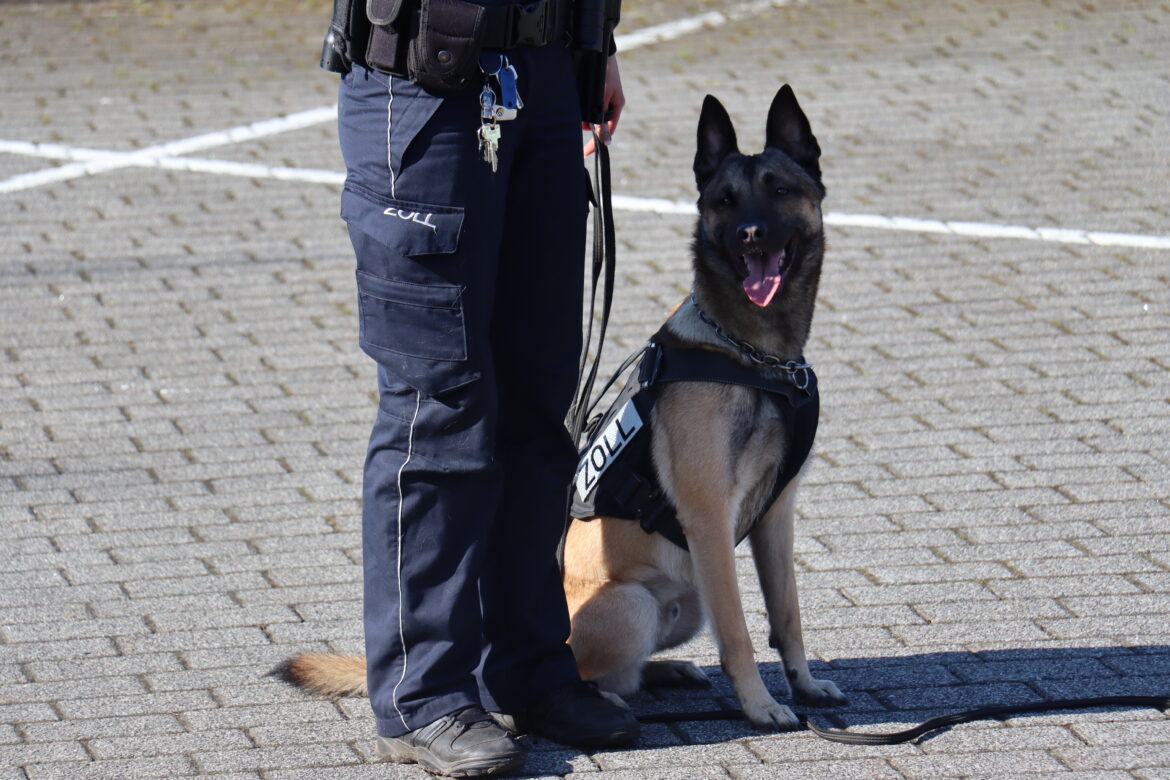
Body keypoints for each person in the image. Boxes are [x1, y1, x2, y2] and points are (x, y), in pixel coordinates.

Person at [331, 0, 637, 774]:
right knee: (440, 408)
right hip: (425, 85)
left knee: (536, 403)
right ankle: (423, 695)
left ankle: (528, 667)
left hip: (542, 73)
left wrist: (594, 43)